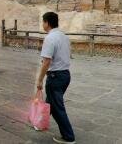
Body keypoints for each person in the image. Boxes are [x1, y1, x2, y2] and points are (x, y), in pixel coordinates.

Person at [36, 12, 76, 144]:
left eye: (43, 22)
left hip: (55, 76)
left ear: (47, 22)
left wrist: (40, 79)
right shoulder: (64, 36)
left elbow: (46, 61)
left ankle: (68, 136)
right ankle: (41, 122)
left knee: (58, 107)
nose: (42, 24)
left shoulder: (50, 38)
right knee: (50, 103)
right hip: (65, 75)